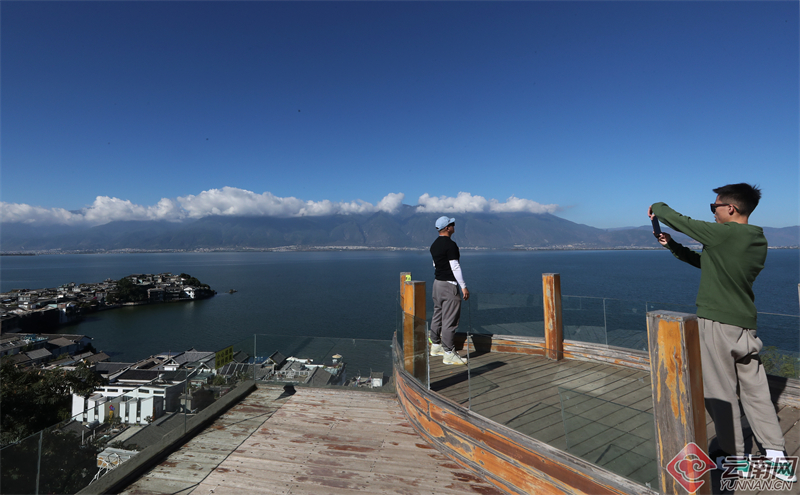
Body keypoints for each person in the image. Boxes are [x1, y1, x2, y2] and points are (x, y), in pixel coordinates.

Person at [649, 183, 795, 482]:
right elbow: (708, 264)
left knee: (719, 394)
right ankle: (777, 456)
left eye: (714, 207)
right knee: (756, 392)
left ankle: (735, 457)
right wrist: (673, 246)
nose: (712, 212)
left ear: (731, 208)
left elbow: (679, 220)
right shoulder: (756, 239)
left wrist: (657, 207)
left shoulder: (725, 233)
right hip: (745, 325)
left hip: (717, 323)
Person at [430, 215, 470, 365]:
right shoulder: (451, 245)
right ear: (447, 228)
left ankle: (435, 346)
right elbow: (455, 267)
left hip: (437, 284)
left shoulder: (434, 245)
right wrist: (463, 286)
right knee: (450, 320)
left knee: (437, 314)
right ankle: (448, 354)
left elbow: (435, 265)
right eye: (452, 224)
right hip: (449, 285)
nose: (454, 226)